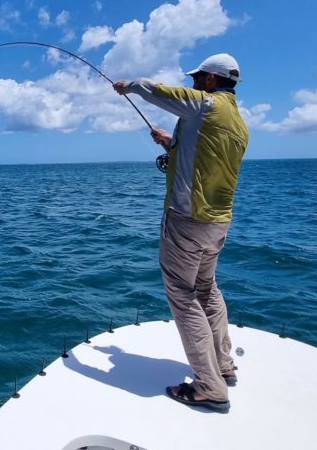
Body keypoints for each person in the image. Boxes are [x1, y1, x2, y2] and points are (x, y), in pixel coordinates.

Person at [113, 53, 248, 413]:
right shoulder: (237, 122)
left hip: (187, 221)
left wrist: (130, 86)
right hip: (218, 223)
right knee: (206, 288)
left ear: (209, 79)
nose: (192, 82)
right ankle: (224, 365)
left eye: (196, 77)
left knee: (183, 293)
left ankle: (209, 388)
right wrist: (170, 146)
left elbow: (157, 91)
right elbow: (202, 160)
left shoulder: (205, 105)